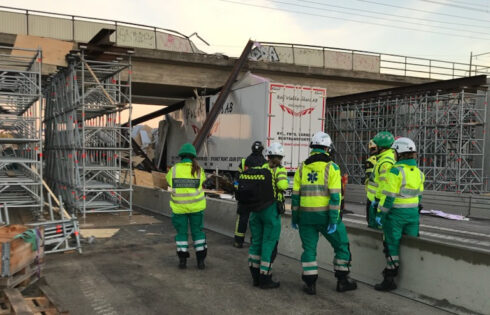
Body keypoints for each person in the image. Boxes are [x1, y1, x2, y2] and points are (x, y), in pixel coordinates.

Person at [291, 132, 357, 295]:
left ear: (312, 148)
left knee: (309, 250)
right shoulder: (332, 167)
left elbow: (295, 196)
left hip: (305, 216)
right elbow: (335, 197)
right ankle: (342, 281)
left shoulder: (302, 167)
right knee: (342, 245)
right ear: (328, 148)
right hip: (326, 216)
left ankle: (310, 284)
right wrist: (334, 220)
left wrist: (295, 217)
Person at [374, 137, 424, 291]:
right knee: (412, 245)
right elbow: (419, 196)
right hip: (413, 216)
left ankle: (389, 278)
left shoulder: (395, 171)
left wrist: (381, 215)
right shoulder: (419, 173)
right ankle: (415, 281)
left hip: (395, 216)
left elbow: (388, 198)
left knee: (391, 246)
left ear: (399, 153)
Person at [247, 142, 288, 289]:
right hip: (270, 210)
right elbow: (283, 186)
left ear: (268, 156)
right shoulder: (279, 170)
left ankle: (255, 276)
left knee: (256, 241)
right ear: (280, 157)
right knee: (269, 242)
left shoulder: (261, 168)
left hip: (256, 209)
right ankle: (265, 277)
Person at [166, 143, 207, 270]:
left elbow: (168, 182)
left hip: (179, 209)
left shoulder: (173, 170)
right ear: (193, 157)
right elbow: (202, 182)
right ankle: (201, 261)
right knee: (197, 233)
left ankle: (182, 261)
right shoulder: (199, 170)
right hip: (196, 208)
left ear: (181, 156)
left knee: (182, 234)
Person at [234, 141, 267, 248]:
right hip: (258, 197)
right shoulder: (265, 164)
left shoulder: (244, 162)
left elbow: (236, 178)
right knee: (256, 220)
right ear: (262, 150)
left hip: (244, 196)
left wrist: (237, 190)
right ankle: (255, 242)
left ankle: (238, 241)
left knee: (242, 219)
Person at [366, 132, 395, 229]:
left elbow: (385, 188)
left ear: (381, 147)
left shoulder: (385, 163)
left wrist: (380, 211)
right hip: (374, 201)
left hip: (377, 204)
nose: (374, 148)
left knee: (375, 235)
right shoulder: (382, 159)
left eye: (376, 146)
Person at [364, 139, 377, 224]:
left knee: (371, 218)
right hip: (382, 192)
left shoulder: (370, 160)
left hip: (371, 192)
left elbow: (369, 176)